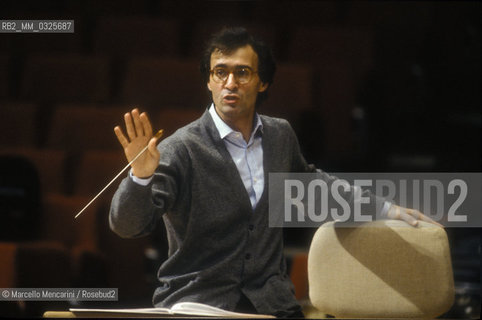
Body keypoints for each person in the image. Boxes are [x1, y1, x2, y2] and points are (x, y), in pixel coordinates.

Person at [110, 27, 441, 318]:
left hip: (272, 306)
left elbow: (317, 188)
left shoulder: (279, 135)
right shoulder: (180, 148)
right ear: (208, 81)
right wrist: (140, 178)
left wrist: (387, 209)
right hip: (199, 305)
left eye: (242, 72)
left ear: (262, 81)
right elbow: (127, 226)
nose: (230, 83)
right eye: (219, 72)